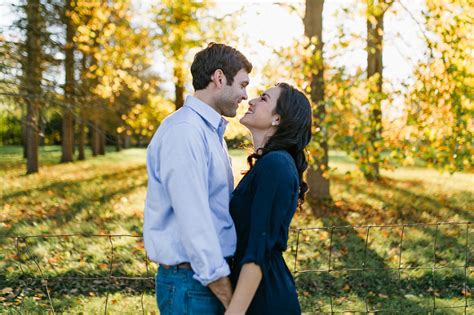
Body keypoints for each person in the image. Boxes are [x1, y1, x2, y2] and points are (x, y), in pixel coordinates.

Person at [143, 43, 252, 314]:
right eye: (242, 84)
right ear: (218, 78)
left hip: (202, 281)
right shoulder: (185, 132)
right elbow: (194, 223)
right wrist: (230, 299)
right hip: (193, 285)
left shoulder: (208, 131)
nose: (245, 95)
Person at [225, 83, 312, 315]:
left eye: (263, 98)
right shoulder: (267, 164)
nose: (251, 101)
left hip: (265, 300)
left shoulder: (276, 165)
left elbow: (259, 250)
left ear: (277, 119)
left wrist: (234, 312)